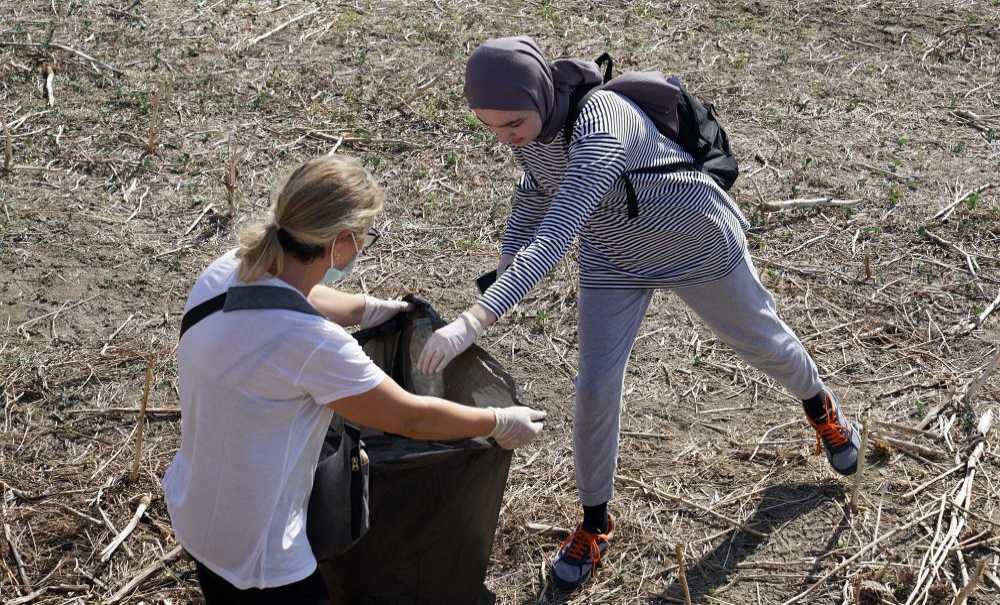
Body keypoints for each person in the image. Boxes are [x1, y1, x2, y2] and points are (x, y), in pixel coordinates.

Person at [415, 36, 861, 591]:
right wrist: (506, 263)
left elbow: (558, 231)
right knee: (595, 385)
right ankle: (595, 521)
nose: (507, 138)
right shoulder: (529, 125)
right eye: (493, 129)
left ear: (536, 92)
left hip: (692, 241)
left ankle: (819, 405)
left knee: (762, 344)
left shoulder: (604, 121)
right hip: (614, 256)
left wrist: (476, 318)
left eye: (511, 125)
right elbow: (534, 189)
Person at [162, 155, 546, 604]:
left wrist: (362, 308)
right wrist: (497, 421)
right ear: (340, 243)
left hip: (196, 511)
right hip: (261, 556)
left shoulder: (226, 270)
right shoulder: (313, 345)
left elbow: (297, 290)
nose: (364, 247)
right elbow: (412, 418)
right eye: (365, 237)